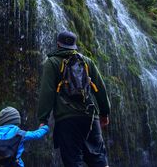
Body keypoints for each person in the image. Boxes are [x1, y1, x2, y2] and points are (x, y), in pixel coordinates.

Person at [38, 31, 111, 167]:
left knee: (73, 160)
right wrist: (104, 113)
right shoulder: (87, 61)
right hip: (90, 117)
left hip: (67, 119)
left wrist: (43, 119)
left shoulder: (52, 62)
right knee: (98, 158)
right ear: (74, 45)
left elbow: (47, 92)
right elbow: (100, 88)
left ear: (58, 44)